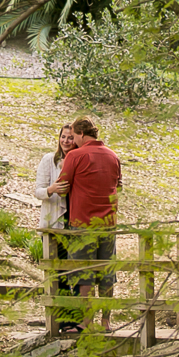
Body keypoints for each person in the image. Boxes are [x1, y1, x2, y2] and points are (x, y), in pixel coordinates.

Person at [56, 117, 121, 333]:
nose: (72, 140)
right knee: (106, 273)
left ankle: (86, 322)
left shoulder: (75, 155)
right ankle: (106, 322)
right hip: (108, 222)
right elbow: (117, 184)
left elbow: (63, 186)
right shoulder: (113, 156)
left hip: (82, 222)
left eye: (73, 136)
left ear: (82, 134)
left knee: (84, 274)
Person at [35, 124, 80, 332]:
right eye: (63, 137)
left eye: (70, 138)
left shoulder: (79, 160)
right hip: (54, 223)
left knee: (76, 272)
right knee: (58, 272)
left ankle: (76, 319)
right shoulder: (49, 160)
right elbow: (38, 191)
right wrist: (51, 190)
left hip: (74, 222)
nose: (66, 141)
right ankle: (61, 320)